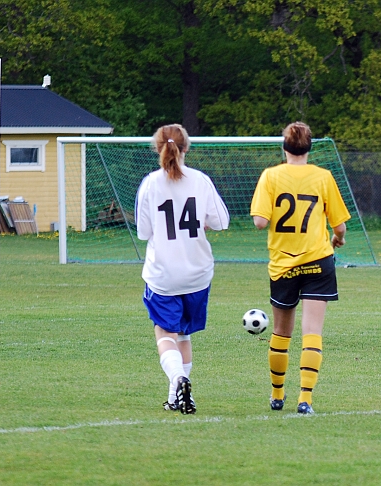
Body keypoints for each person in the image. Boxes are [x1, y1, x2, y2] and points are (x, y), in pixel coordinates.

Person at [250, 121, 351, 415]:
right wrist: (338, 238)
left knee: (281, 332)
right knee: (312, 332)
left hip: (283, 264)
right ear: (309, 147)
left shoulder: (270, 176)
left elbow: (259, 221)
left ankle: (277, 395)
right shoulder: (323, 177)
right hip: (318, 261)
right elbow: (340, 225)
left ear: (284, 147)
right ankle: (305, 399)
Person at [136, 124, 230, 414]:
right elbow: (221, 221)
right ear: (185, 147)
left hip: (164, 274)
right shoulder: (200, 180)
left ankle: (177, 380)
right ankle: (177, 395)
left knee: (165, 333)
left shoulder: (151, 183)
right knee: (184, 335)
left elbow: (143, 232)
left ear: (158, 148)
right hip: (197, 273)